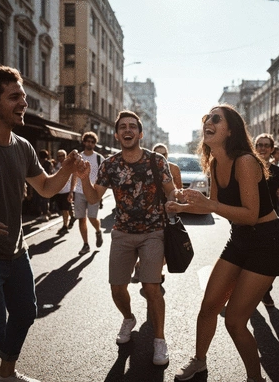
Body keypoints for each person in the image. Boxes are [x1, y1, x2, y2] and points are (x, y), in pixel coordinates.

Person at [0, 65, 84, 382]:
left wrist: (69, 168)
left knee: (24, 313)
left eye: (23, 96)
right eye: (14, 96)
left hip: (17, 252)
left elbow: (46, 187)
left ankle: (6, 374)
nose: (24, 102)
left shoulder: (23, 146)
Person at [166, 104, 279, 382]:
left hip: (266, 242)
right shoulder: (216, 163)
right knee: (208, 306)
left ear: (230, 130)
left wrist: (210, 203)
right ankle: (199, 362)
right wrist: (181, 208)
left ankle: (255, 378)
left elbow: (250, 215)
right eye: (207, 118)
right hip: (240, 240)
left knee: (234, 320)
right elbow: (214, 207)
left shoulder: (245, 161)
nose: (208, 121)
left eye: (216, 119)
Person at [78, 110, 181, 366]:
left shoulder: (157, 161)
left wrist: (173, 202)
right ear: (116, 134)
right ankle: (128, 318)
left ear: (140, 133)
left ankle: (159, 340)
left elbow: (171, 192)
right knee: (117, 288)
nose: (127, 130)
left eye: (132, 127)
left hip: (153, 233)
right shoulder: (109, 164)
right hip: (122, 232)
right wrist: (83, 178)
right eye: (122, 127)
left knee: (151, 287)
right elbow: (93, 198)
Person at [131, 142, 182, 284]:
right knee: (153, 243)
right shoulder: (145, 167)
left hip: (169, 210)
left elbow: (178, 189)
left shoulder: (174, 168)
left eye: (164, 154)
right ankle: (149, 268)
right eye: (158, 154)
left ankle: (151, 268)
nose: (162, 157)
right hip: (151, 211)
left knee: (169, 243)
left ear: (168, 154)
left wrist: (177, 204)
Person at [255, 133, 279, 308]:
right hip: (249, 221)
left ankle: (266, 291)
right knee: (249, 258)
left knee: (270, 261)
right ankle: (250, 294)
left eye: (266, 145)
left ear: (272, 149)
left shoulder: (278, 172)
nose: (262, 148)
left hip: (271, 222)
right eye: (259, 145)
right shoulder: (248, 168)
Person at [69, 132, 104, 255]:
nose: (90, 143)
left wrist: (101, 192)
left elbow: (103, 177)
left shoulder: (99, 158)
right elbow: (74, 175)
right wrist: (71, 191)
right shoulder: (78, 158)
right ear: (84, 142)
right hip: (79, 191)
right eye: (88, 141)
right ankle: (85, 244)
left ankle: (98, 231)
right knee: (81, 218)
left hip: (94, 192)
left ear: (95, 144)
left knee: (92, 217)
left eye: (92, 142)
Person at [54, 150, 73, 235]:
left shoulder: (69, 166)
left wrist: (71, 192)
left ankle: (65, 226)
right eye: (59, 156)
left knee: (65, 209)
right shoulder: (56, 166)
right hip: (58, 191)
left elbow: (73, 179)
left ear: (65, 156)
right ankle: (70, 219)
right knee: (62, 210)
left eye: (62, 156)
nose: (60, 158)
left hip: (66, 191)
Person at [35, 149, 54, 222]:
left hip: (40, 182)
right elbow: (51, 172)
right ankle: (46, 213)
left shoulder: (39, 162)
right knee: (45, 199)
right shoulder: (49, 163)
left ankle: (45, 213)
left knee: (43, 199)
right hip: (46, 182)